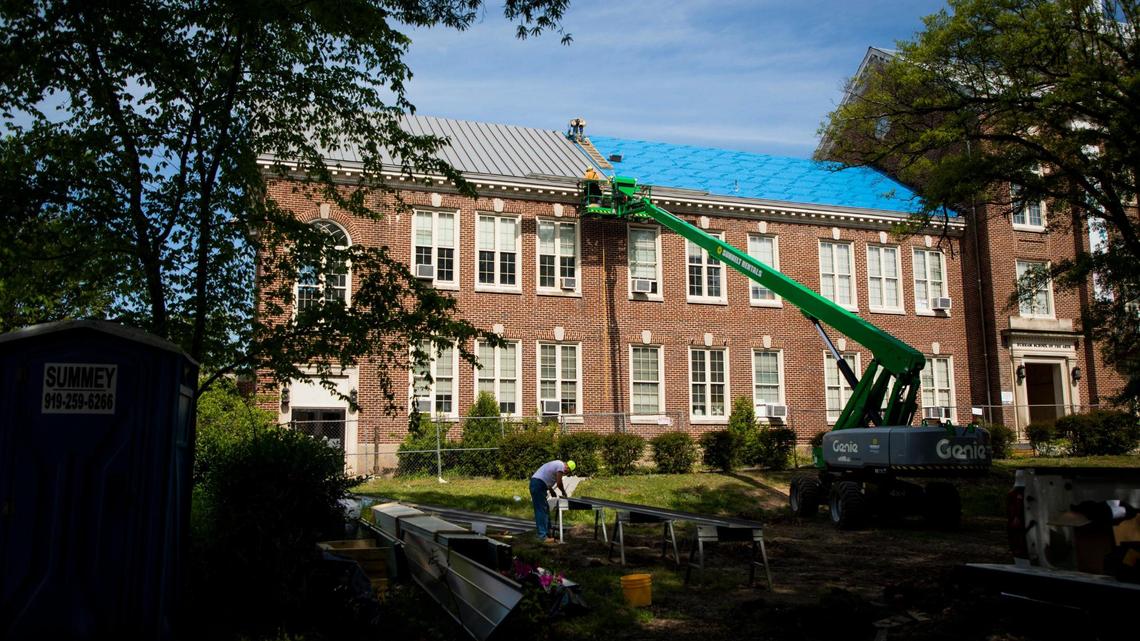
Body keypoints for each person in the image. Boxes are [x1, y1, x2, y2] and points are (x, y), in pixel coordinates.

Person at [529, 459, 576, 541]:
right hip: (538, 485)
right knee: (541, 510)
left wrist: (551, 490)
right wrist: (564, 492)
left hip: (538, 483)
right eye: (566, 472)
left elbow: (546, 477)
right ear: (567, 468)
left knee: (545, 509)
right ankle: (542, 536)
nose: (565, 473)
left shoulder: (557, 464)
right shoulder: (561, 466)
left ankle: (548, 532)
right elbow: (559, 483)